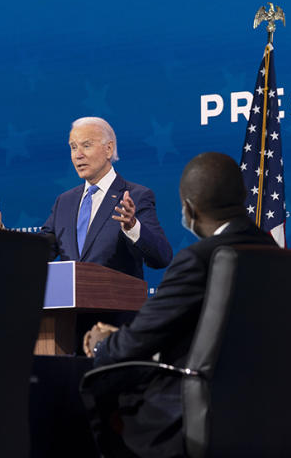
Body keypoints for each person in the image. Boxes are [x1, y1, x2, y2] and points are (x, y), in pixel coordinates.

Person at [80, 151, 278, 458]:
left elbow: (137, 343)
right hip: (270, 411)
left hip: (188, 417)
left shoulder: (199, 259)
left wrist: (102, 345)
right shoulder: (277, 255)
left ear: (190, 209)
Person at [0, 116, 172, 279]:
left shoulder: (136, 196)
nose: (77, 154)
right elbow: (39, 252)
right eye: (73, 147)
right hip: (69, 324)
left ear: (109, 149)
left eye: (86, 145)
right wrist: (1, 233)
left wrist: (132, 226)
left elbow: (161, 256)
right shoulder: (65, 202)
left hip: (115, 324)